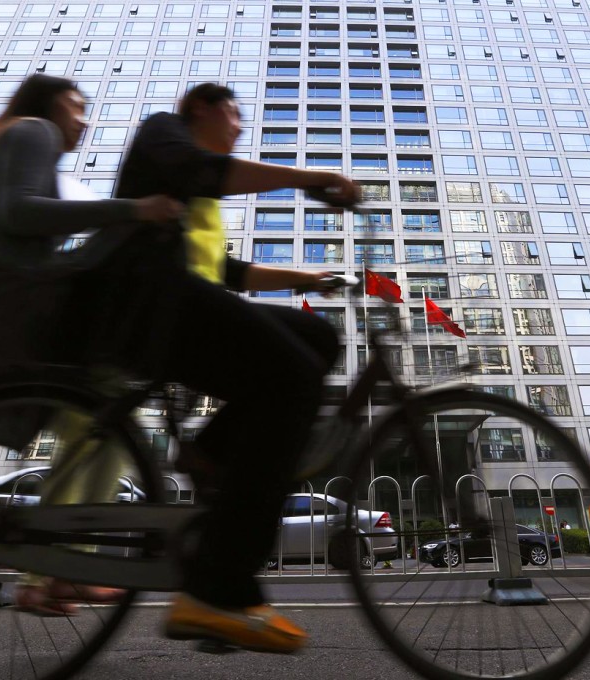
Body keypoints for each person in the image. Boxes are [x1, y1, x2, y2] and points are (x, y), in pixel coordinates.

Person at [112, 83, 359, 653]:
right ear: (200, 108)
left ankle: (209, 450)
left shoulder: (197, 202)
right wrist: (309, 178)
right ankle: (218, 590)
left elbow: (227, 273)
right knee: (292, 377)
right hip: (150, 305)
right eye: (233, 112)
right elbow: (207, 170)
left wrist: (304, 280)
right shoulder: (164, 137)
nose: (240, 124)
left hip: (183, 302)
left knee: (317, 337)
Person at [0, 74, 184, 615]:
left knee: (92, 427)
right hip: (5, 313)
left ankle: (55, 570)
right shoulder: (32, 130)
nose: (82, 120)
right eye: (76, 106)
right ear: (49, 105)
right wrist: (132, 210)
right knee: (112, 411)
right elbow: (20, 212)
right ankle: (62, 564)